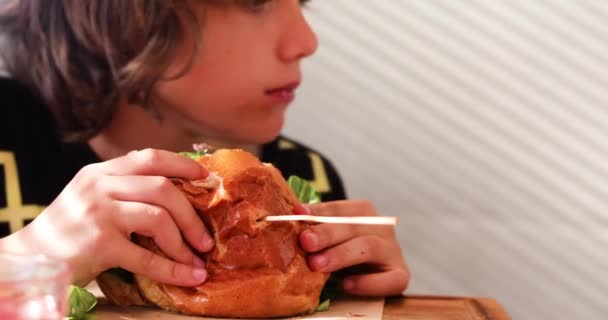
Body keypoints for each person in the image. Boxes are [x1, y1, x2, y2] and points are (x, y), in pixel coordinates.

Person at [0, 0, 409, 297]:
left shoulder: (303, 175)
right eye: (255, 3)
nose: (306, 40)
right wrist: (22, 263)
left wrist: (356, 288)